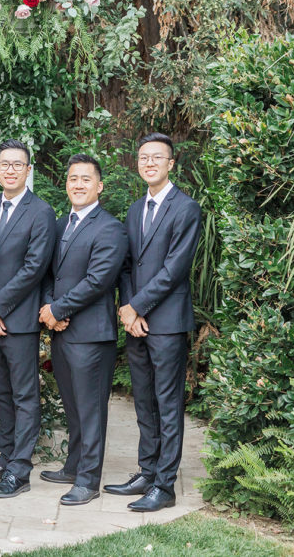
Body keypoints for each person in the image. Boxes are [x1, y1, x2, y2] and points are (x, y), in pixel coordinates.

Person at [106, 133, 201, 512]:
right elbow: (128, 265)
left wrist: (138, 306)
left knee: (167, 401)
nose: (149, 163)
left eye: (157, 157)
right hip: (137, 322)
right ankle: (146, 471)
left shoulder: (186, 208)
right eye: (144, 157)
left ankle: (165, 485)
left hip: (167, 322)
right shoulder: (134, 210)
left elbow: (175, 269)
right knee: (142, 401)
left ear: (171, 164)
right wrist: (128, 308)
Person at [39, 154, 128, 506]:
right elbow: (50, 274)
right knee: (73, 406)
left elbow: (98, 280)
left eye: (86, 179)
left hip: (91, 335)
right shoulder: (61, 225)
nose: (78, 184)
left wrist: (58, 309)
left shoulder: (111, 228)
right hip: (61, 331)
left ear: (99, 186)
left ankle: (89, 481)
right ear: (66, 184)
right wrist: (49, 310)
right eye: (73, 178)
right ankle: (73, 466)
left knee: (91, 411)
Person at [0, 140, 57, 498]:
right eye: (4, 164)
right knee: (1, 393)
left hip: (18, 320)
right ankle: (6, 458)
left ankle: (20, 470)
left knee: (24, 395)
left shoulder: (42, 212)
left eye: (17, 164)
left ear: (28, 170)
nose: (10, 169)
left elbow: (33, 268)